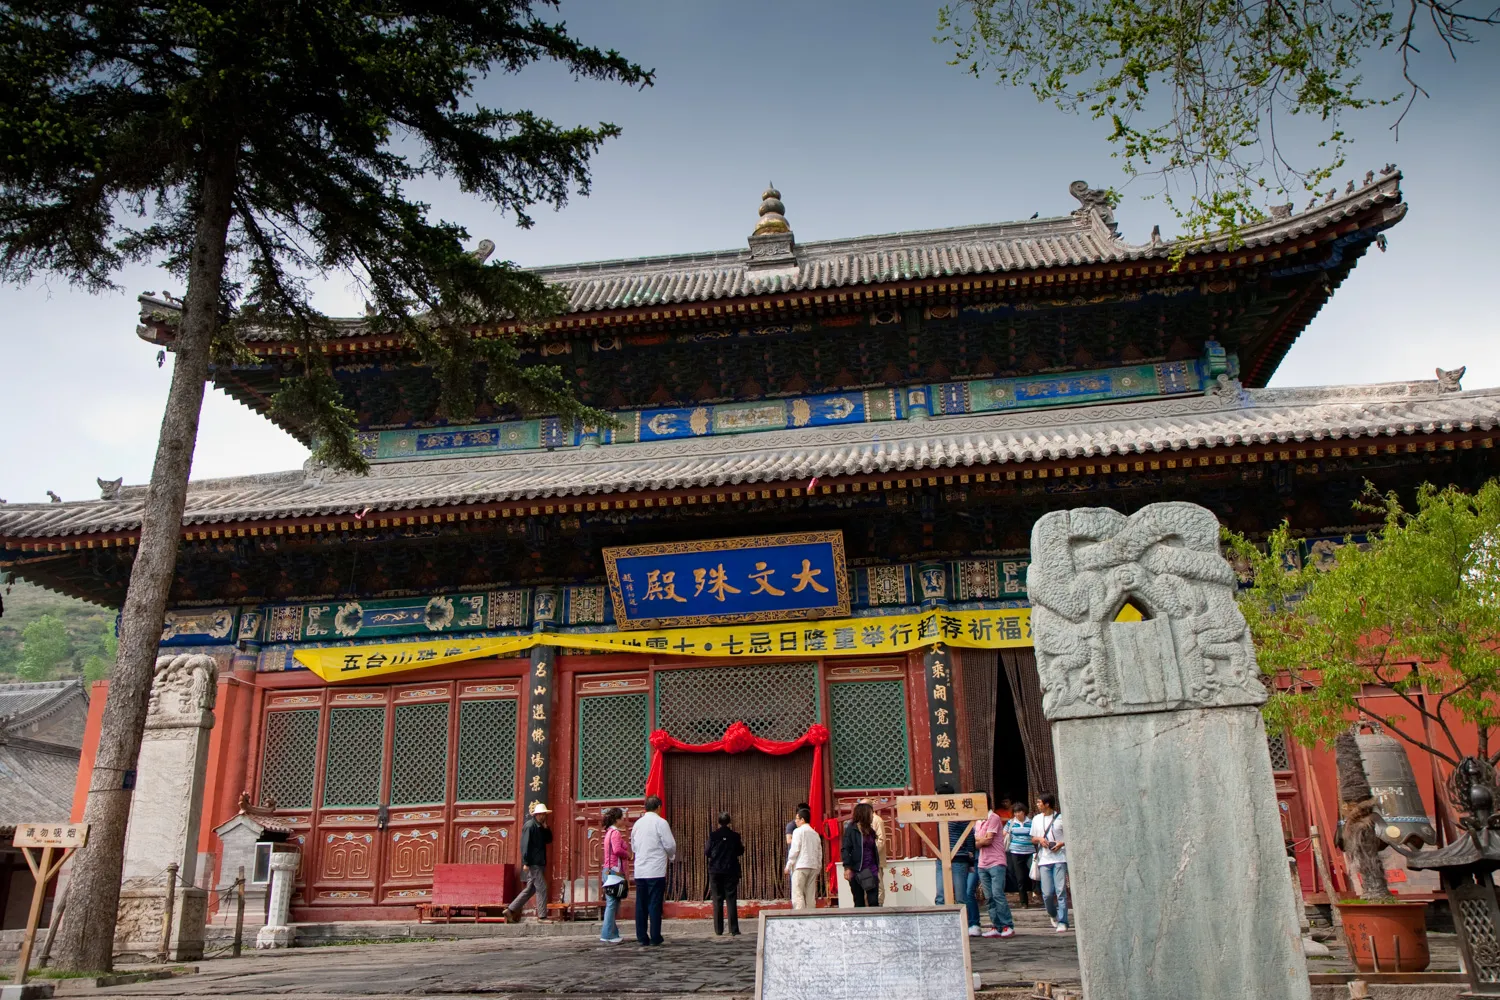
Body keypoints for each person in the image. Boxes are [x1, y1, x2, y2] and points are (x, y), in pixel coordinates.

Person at [631, 795, 676, 946]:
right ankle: (655, 936)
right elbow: (670, 845)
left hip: (640, 870)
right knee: (655, 903)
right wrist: (671, 856)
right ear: (659, 807)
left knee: (641, 905)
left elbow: (634, 846)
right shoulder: (661, 823)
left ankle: (642, 936)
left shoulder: (637, 824)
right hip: (655, 869)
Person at [505, 802, 553, 922]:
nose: (543, 816)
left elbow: (548, 840)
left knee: (530, 889)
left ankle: (510, 909)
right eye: (541, 814)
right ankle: (542, 916)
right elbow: (525, 845)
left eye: (544, 814)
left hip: (539, 862)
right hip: (533, 863)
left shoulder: (541, 826)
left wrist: (546, 828)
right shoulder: (530, 826)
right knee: (542, 888)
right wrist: (525, 862)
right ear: (536, 815)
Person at [974, 803, 1016, 938]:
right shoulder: (977, 821)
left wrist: (979, 840)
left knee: (998, 894)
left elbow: (988, 840)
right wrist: (981, 840)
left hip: (996, 861)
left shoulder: (993, 817)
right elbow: (976, 842)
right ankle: (996, 926)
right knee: (989, 897)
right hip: (982, 863)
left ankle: (1007, 925)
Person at [1031, 792, 1068, 932]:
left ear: (1047, 804)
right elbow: (1032, 838)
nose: (1037, 804)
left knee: (1060, 891)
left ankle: (1063, 921)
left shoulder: (1061, 818)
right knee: (1046, 893)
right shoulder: (1036, 819)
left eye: (1039, 802)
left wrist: (1061, 843)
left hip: (1060, 858)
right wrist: (1040, 839)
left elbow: (1070, 836)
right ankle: (1053, 914)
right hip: (1044, 859)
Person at [705, 812, 744, 936]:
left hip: (716, 870)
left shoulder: (713, 836)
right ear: (729, 821)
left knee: (717, 899)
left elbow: (707, 852)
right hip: (730, 870)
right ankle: (733, 929)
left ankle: (718, 929)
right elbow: (740, 851)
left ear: (718, 821)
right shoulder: (735, 836)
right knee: (731, 899)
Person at [599, 807, 632, 944]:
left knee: (612, 903)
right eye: (622, 817)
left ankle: (613, 933)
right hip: (614, 871)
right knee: (612, 904)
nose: (623, 820)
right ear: (617, 819)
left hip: (607, 870)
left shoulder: (609, 832)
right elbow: (617, 850)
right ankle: (607, 934)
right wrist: (627, 854)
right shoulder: (616, 833)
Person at [839, 802, 881, 908]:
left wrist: (877, 866)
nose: (872, 816)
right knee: (859, 902)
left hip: (871, 870)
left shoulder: (870, 830)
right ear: (864, 814)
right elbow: (845, 849)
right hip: (857, 870)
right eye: (871, 813)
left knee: (874, 901)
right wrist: (847, 867)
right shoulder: (851, 829)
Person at [785, 805, 822, 910]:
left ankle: (800, 916)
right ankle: (811, 915)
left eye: (797, 818)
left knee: (798, 893)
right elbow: (819, 853)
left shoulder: (798, 831)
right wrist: (818, 867)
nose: (795, 821)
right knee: (810, 894)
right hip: (813, 866)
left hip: (800, 866)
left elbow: (794, 850)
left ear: (802, 819)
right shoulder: (815, 834)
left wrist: (788, 865)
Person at [856, 798, 889, 903]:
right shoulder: (861, 821)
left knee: (877, 886)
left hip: (875, 861)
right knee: (866, 886)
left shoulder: (877, 820)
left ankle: (878, 907)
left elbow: (881, 840)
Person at [1004, 803, 1036, 908]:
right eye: (1015, 812)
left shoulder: (1031, 822)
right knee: (1020, 877)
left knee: (1034, 873)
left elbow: (1036, 835)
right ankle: (1024, 901)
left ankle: (1037, 894)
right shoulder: (1011, 823)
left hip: (1030, 852)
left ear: (1024, 812)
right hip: (1016, 852)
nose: (1017, 814)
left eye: (1019, 812)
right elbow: (1003, 833)